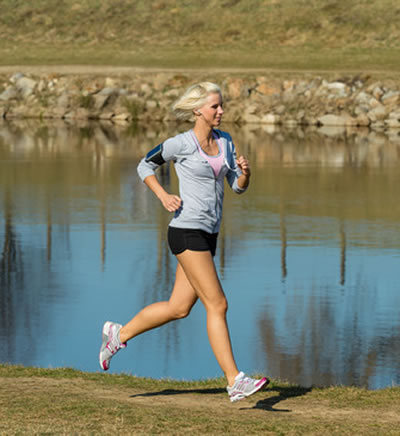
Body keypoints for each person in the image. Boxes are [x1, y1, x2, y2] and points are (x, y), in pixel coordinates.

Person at [99, 82, 269, 402]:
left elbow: (238, 187)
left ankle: (117, 335)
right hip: (185, 231)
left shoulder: (226, 142)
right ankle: (235, 381)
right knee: (217, 304)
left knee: (179, 308)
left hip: (209, 233)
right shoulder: (181, 144)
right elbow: (144, 165)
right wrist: (163, 195)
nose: (221, 111)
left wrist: (246, 173)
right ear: (197, 111)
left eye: (221, 106)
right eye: (214, 106)